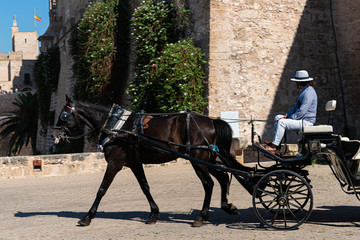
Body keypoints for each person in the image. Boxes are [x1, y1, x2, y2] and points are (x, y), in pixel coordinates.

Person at [262, 70, 318, 154]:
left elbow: (302, 111)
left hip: (307, 121)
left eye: (296, 82)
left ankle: (273, 146)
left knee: (281, 122)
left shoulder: (308, 93)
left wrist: (291, 118)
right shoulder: (304, 91)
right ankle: (277, 143)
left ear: (300, 82)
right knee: (278, 117)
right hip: (302, 119)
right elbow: (296, 107)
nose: (296, 84)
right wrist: (286, 116)